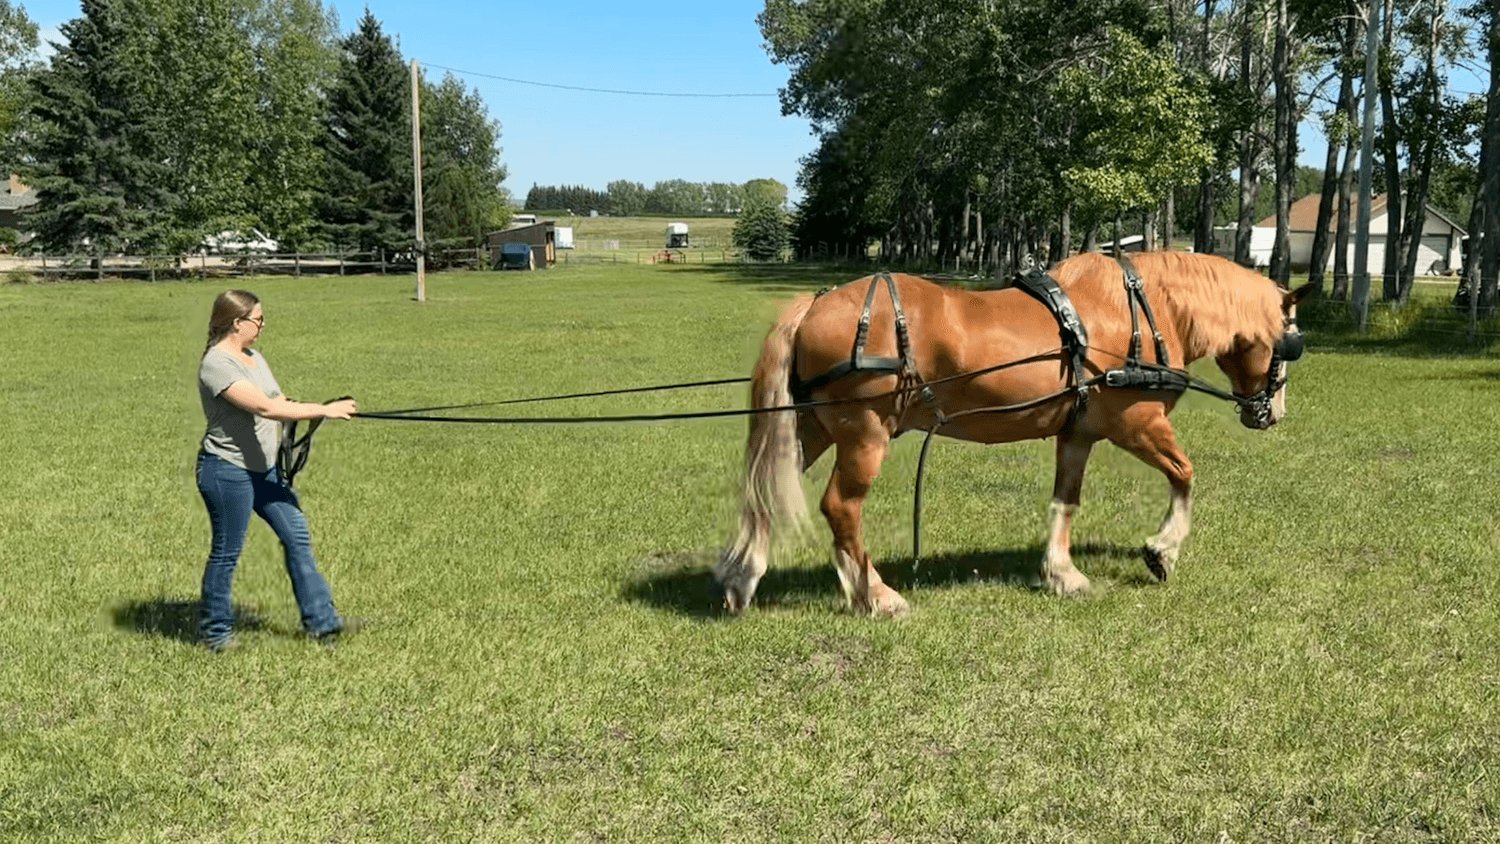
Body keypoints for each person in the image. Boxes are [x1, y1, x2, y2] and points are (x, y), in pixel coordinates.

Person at [195, 289, 358, 652]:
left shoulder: (254, 357)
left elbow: (279, 402)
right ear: (236, 323)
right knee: (227, 551)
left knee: (296, 536)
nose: (263, 325)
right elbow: (264, 409)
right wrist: (324, 410)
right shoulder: (217, 364)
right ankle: (215, 633)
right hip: (227, 471)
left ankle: (323, 624)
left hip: (264, 470)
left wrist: (317, 410)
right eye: (258, 320)